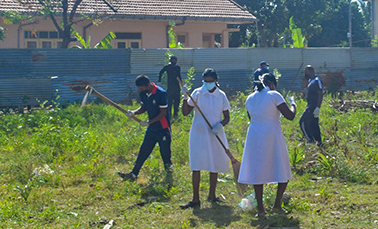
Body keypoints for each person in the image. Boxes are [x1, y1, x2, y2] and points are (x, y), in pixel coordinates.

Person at [238, 73, 296, 217]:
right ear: (271, 84)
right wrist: (293, 104)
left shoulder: (249, 98)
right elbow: (290, 116)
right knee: (282, 169)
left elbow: (252, 118)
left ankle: (261, 210)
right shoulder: (274, 95)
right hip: (272, 135)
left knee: (258, 172)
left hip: (255, 137)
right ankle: (277, 206)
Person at [180, 68, 231, 209]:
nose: (208, 84)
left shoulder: (221, 96)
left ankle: (212, 195)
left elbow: (227, 117)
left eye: (211, 81)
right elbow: (185, 113)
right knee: (196, 165)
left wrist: (219, 125)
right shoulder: (197, 93)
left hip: (215, 133)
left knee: (213, 164)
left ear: (216, 81)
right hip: (199, 134)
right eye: (206, 81)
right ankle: (195, 199)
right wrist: (185, 97)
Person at [118, 75, 171, 180]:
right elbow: (143, 108)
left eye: (142, 89)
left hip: (163, 128)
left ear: (148, 85)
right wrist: (134, 113)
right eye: (139, 89)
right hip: (151, 128)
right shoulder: (143, 93)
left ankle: (169, 175)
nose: (140, 91)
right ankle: (134, 174)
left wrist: (148, 122)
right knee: (144, 151)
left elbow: (163, 113)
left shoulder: (161, 93)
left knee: (165, 153)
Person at [299, 65, 323, 145]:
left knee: (302, 122)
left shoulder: (317, 80)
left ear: (311, 71)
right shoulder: (311, 81)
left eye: (306, 72)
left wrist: (318, 107)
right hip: (310, 104)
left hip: (312, 106)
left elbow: (320, 93)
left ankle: (310, 140)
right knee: (313, 124)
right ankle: (318, 141)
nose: (305, 74)